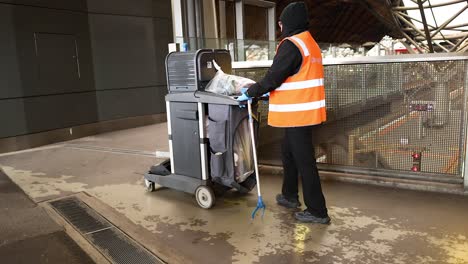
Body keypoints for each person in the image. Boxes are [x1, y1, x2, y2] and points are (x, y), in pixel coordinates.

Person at [237, 1, 330, 224]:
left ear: (287, 23)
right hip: (304, 112)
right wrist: (269, 93)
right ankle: (289, 196)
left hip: (298, 115)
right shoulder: (310, 43)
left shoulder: (292, 44)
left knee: (305, 161)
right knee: (288, 152)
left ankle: (318, 211)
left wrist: (252, 91)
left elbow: (274, 76)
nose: (280, 28)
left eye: (280, 24)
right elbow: (295, 77)